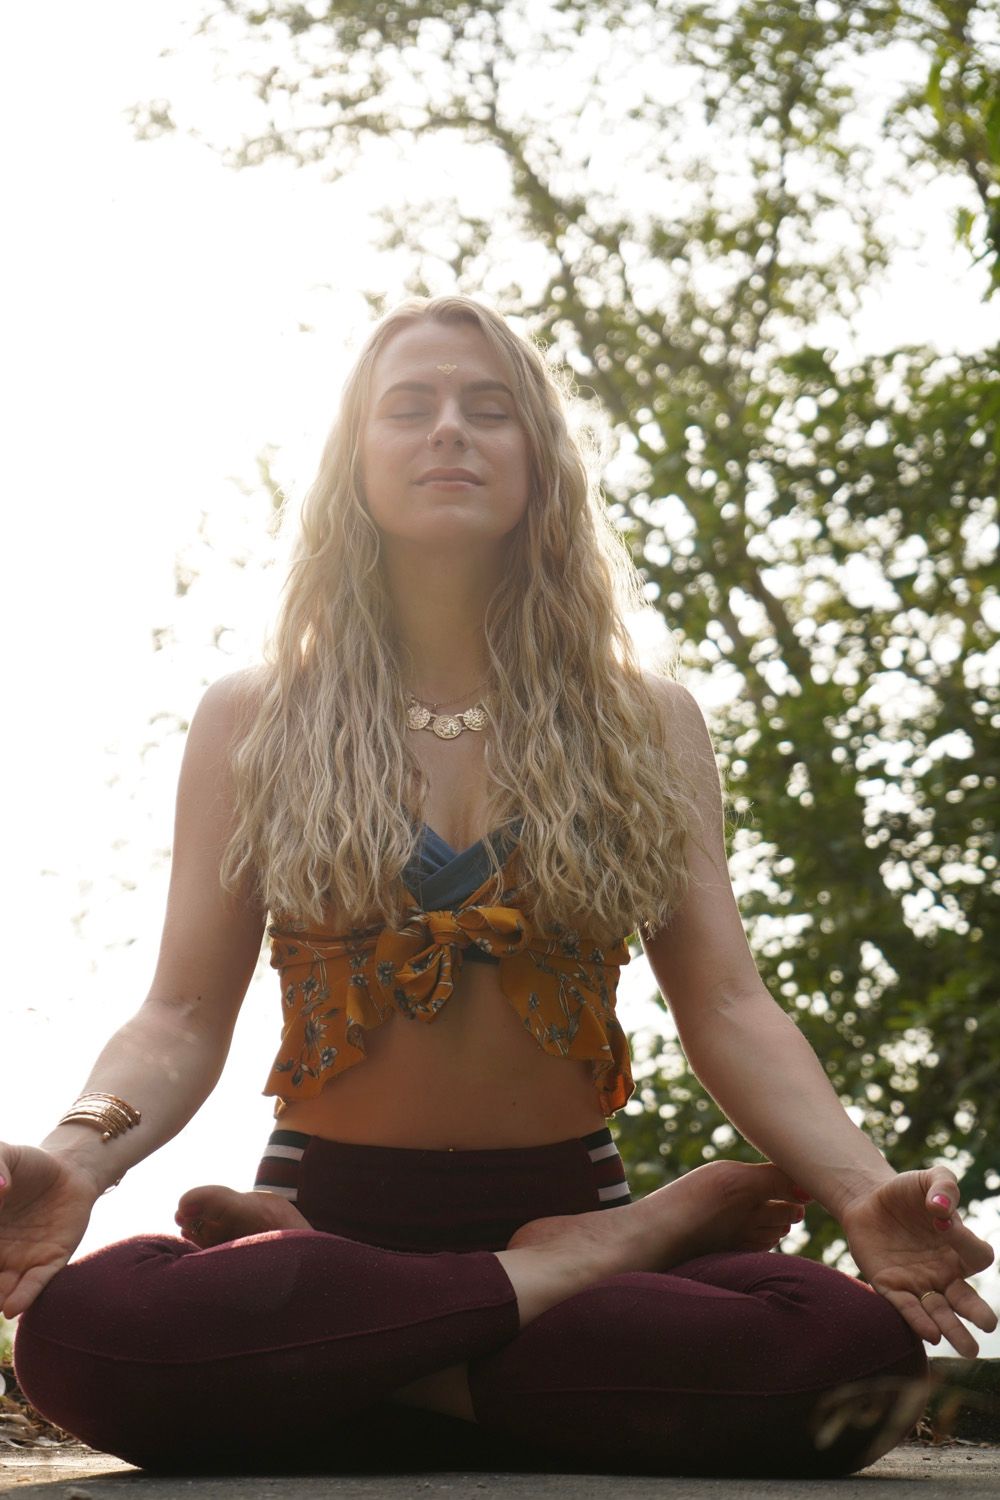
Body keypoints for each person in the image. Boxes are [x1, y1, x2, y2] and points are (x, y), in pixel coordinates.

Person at [2, 296, 995, 1479]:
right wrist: (78, 1155)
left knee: (850, 1352)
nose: (448, 431)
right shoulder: (257, 715)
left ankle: (355, 1368)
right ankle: (564, 1275)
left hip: (548, 1194)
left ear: (539, 456)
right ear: (353, 459)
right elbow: (178, 1014)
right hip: (326, 1225)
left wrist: (864, 1187)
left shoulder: (643, 721)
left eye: (488, 409)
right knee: (81, 1339)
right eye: (408, 407)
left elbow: (727, 1004)